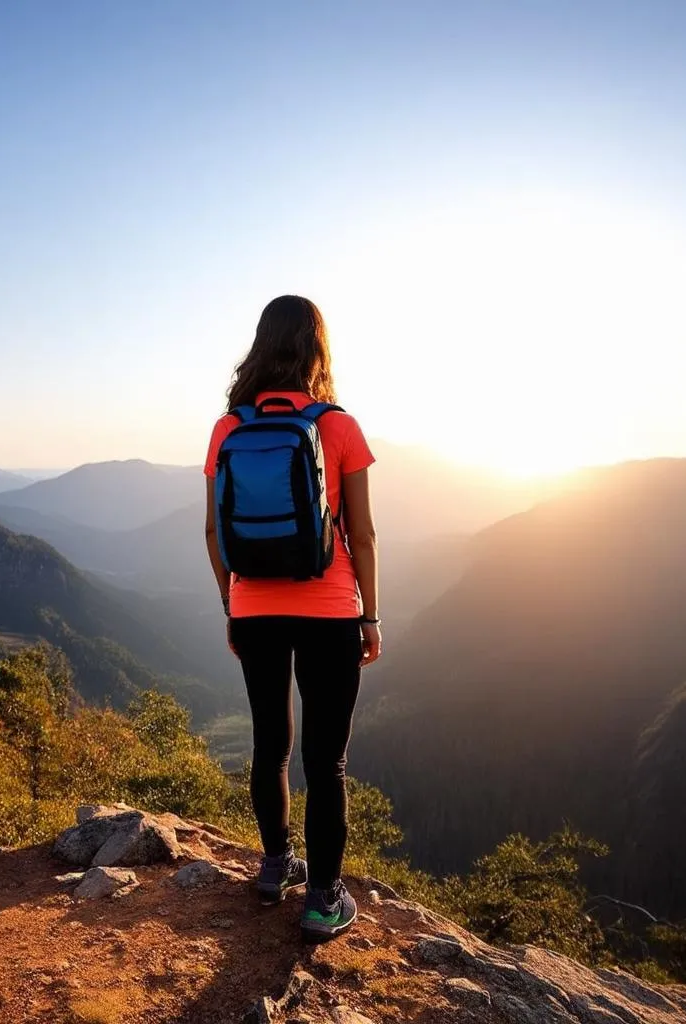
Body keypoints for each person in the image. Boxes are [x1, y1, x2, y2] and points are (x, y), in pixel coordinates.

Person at [203, 295, 383, 941]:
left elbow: (213, 532)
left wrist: (233, 604)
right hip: (330, 608)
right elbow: (360, 533)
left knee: (269, 747)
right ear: (317, 348)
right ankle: (323, 900)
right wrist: (370, 615)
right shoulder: (338, 425)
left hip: (253, 606)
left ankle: (275, 867)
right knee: (326, 761)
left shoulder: (229, 428)